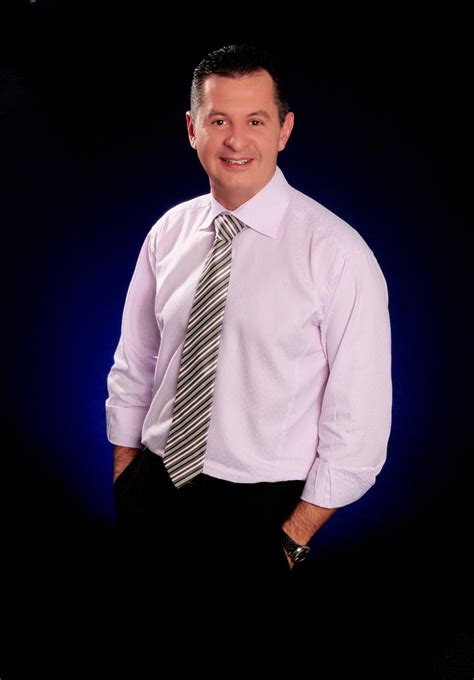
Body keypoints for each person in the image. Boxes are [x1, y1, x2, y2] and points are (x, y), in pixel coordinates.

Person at [105, 44, 392, 591]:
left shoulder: (336, 253)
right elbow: (136, 361)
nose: (236, 141)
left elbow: (360, 419)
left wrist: (291, 539)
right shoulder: (169, 232)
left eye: (255, 121)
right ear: (192, 129)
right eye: (219, 121)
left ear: (284, 129)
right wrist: (127, 475)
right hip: (154, 485)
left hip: (262, 511)